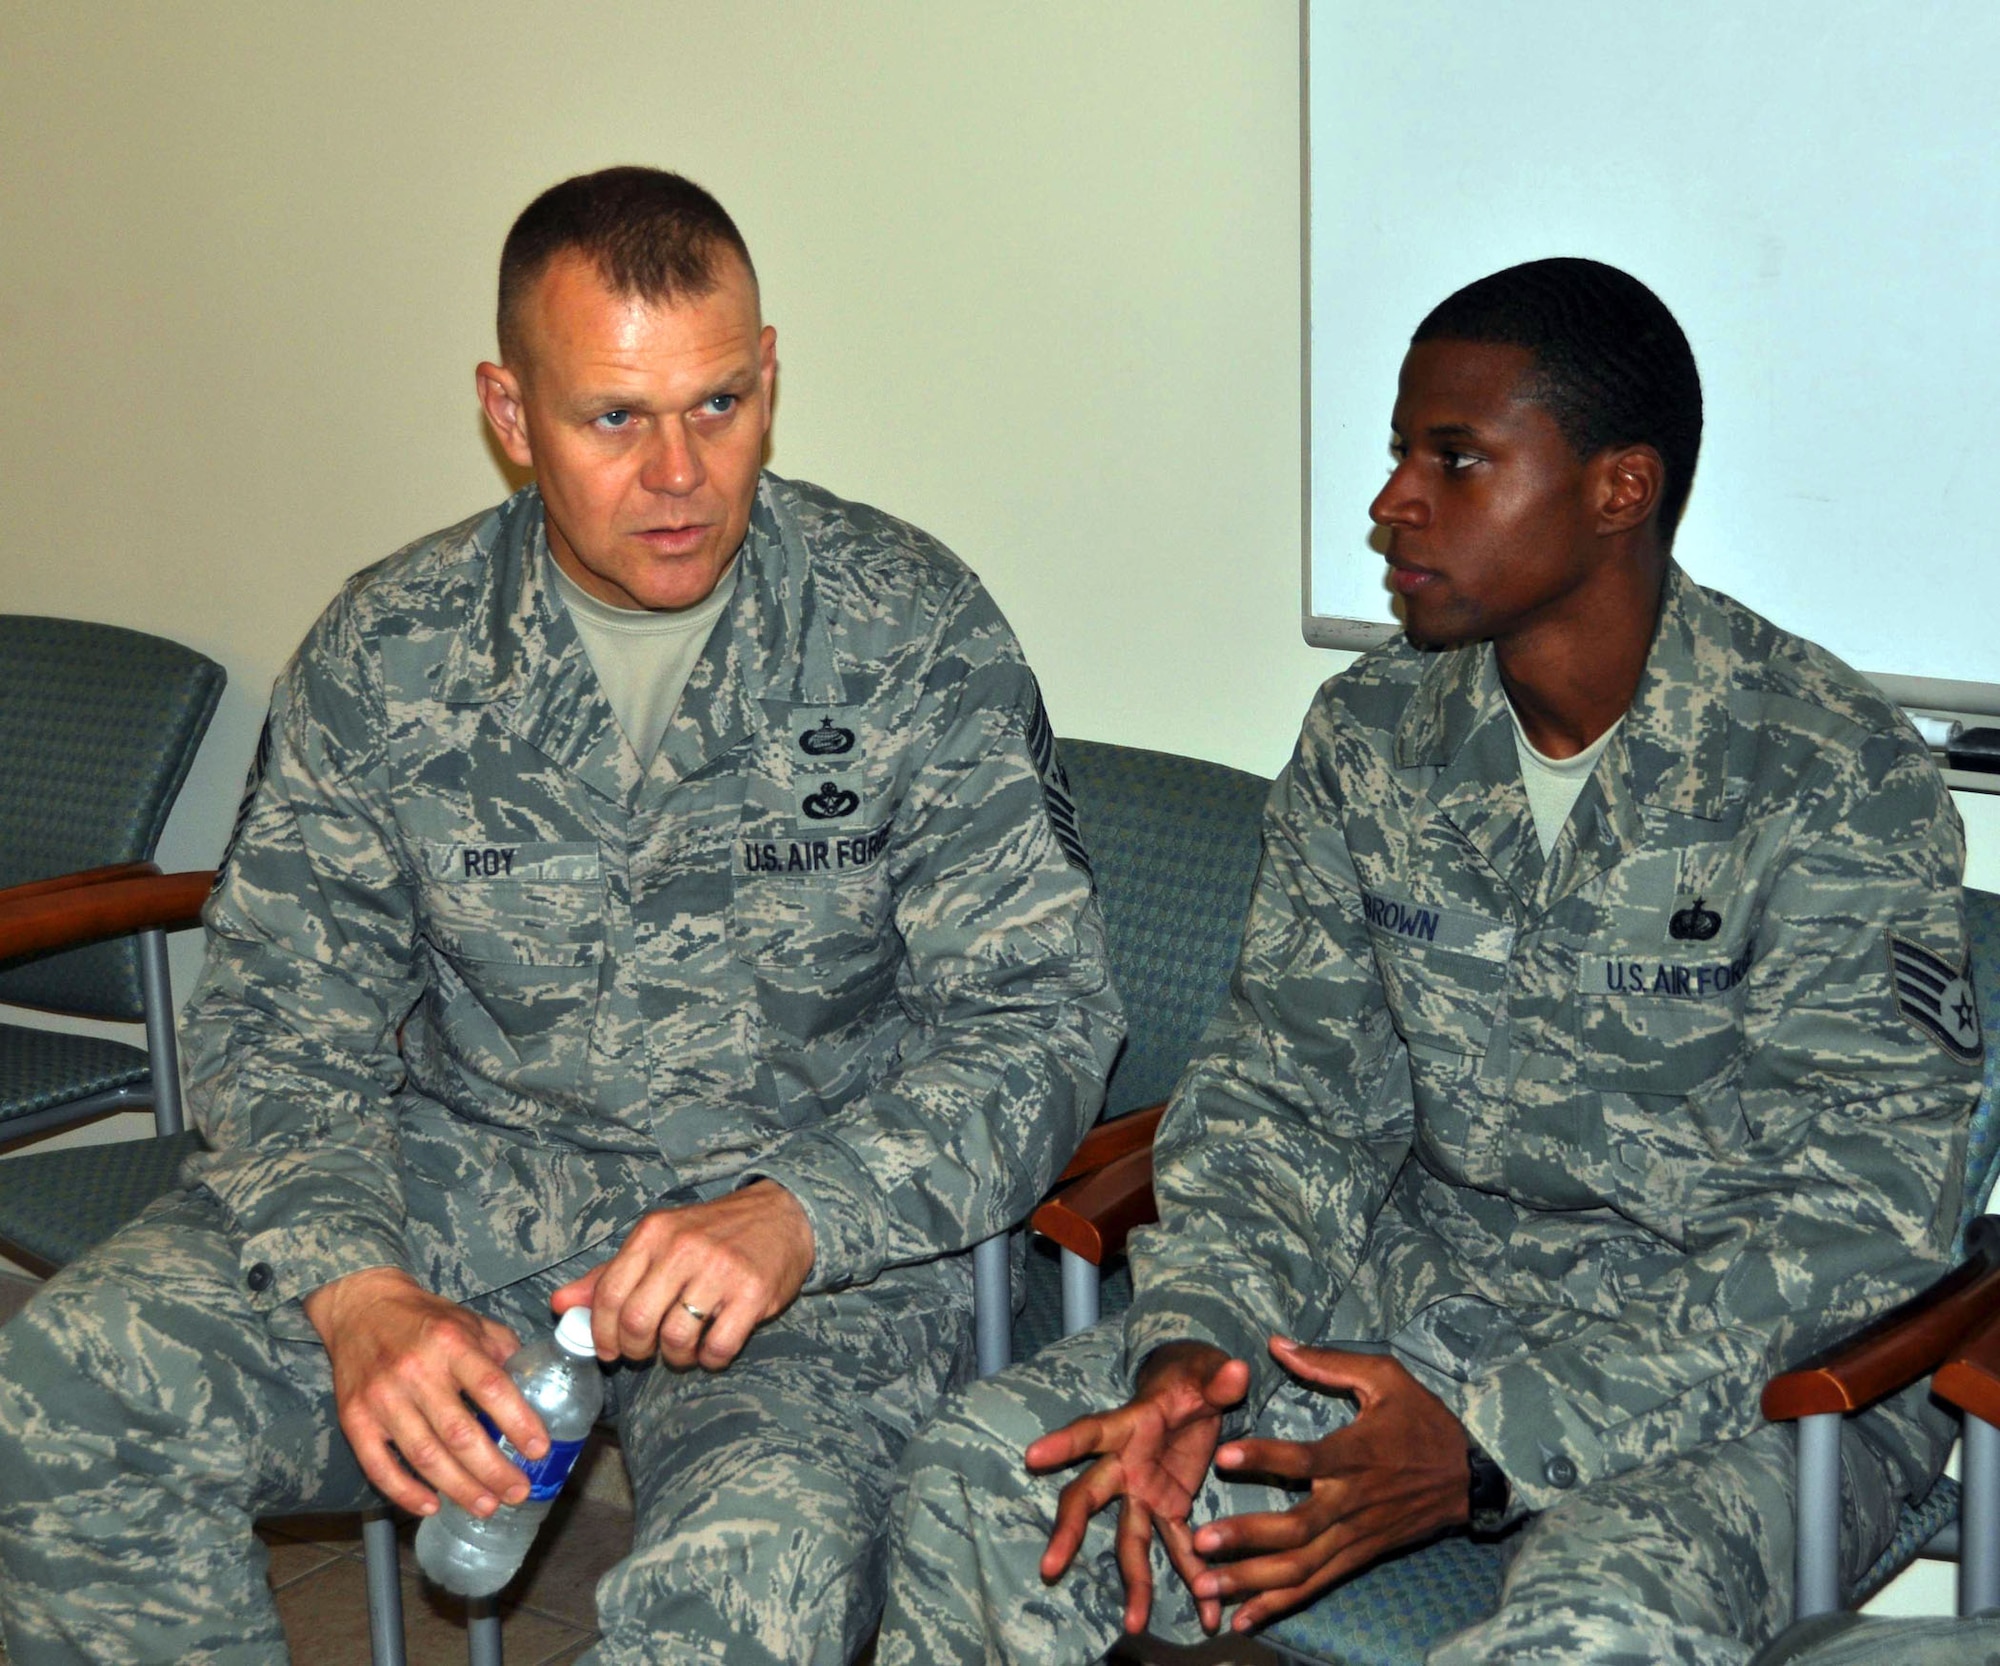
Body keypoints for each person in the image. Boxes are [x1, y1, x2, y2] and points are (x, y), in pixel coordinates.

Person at [0, 166, 1121, 1666]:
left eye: (719, 404)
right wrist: (359, 1286)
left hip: (801, 1254)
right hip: (455, 1193)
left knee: (752, 1586)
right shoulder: (387, 653)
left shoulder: (908, 629)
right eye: (613, 418)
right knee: (66, 1399)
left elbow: (1045, 1015)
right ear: (511, 413)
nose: (679, 474)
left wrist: (803, 1212)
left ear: (770, 373)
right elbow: (278, 1015)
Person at [878, 257, 1981, 1664]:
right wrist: (1192, 1350)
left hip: (1729, 1387)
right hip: (1413, 1300)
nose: (1393, 500)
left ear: (1617, 489)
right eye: (1402, 452)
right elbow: (1289, 1099)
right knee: (991, 1477)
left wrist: (1489, 1439)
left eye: (1455, 460)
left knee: (1592, 1638)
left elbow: (1860, 1220)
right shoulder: (1372, 739)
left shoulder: (1832, 770)